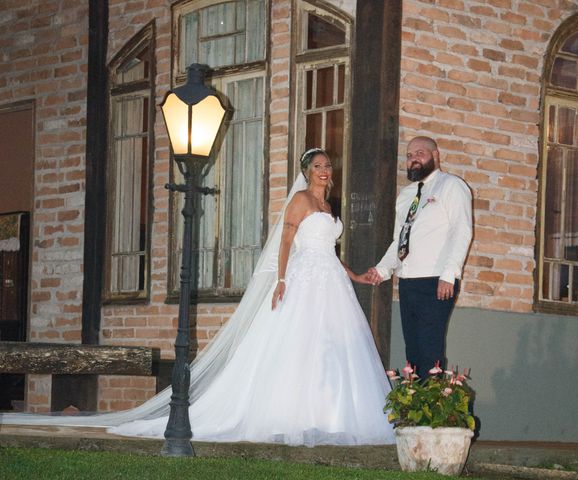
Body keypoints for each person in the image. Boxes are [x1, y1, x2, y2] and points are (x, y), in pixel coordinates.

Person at [0, 148, 394, 447]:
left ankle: (332, 413)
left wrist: (355, 274)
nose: (324, 171)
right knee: (296, 346)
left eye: (328, 166)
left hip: (331, 282)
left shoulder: (328, 205)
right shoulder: (302, 201)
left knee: (333, 347)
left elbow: (330, 251)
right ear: (307, 172)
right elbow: (287, 240)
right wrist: (281, 279)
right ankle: (288, 414)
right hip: (304, 281)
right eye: (318, 166)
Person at [367, 136, 472, 378]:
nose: (413, 159)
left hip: (436, 281)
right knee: (413, 354)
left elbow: (461, 230)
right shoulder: (406, 195)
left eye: (420, 153)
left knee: (430, 353)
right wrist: (383, 270)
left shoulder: (451, 186)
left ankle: (433, 414)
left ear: (436, 156)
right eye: (409, 155)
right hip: (408, 282)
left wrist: (450, 274)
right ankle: (415, 411)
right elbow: (401, 239)